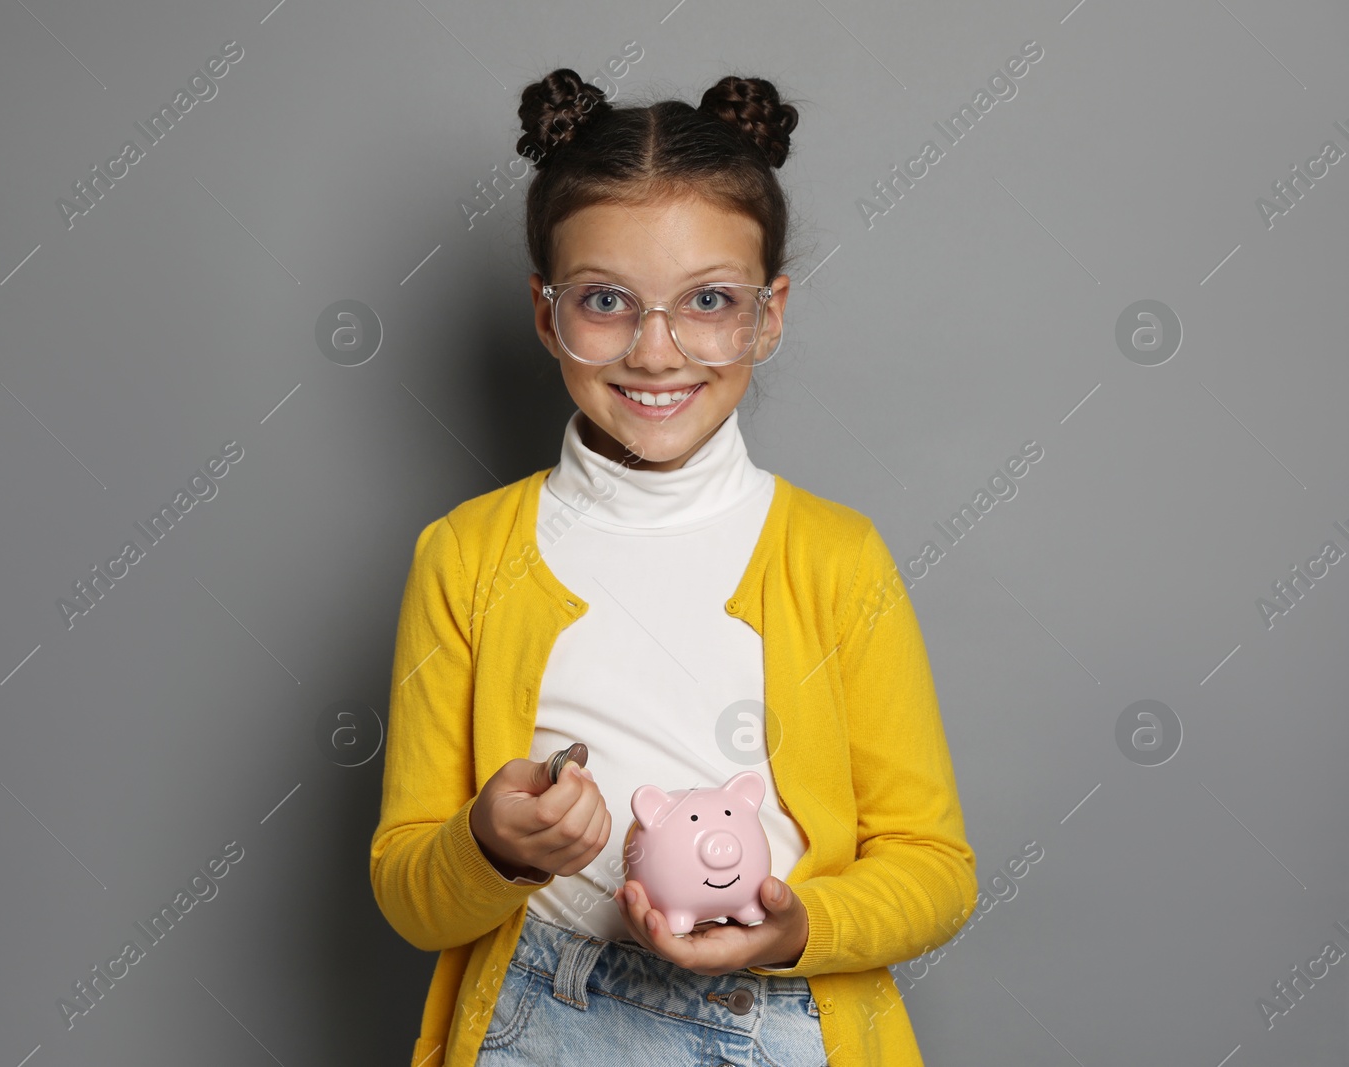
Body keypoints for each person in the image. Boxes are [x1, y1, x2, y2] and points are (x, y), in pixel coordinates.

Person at [370, 67, 978, 1067]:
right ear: (544, 312)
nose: (656, 351)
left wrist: (795, 928)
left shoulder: (835, 556)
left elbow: (935, 867)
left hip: (785, 1023)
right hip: (543, 1016)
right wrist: (488, 842)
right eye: (606, 300)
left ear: (767, 314)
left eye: (707, 301)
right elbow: (408, 891)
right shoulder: (466, 555)